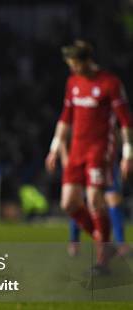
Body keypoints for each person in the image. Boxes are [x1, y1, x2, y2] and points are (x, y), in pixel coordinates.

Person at [45, 40, 132, 273]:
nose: (72, 68)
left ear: (85, 60)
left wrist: (128, 154)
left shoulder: (110, 83)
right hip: (76, 150)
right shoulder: (72, 82)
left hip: (100, 150)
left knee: (95, 199)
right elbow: (65, 117)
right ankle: (102, 240)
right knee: (68, 203)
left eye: (74, 63)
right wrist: (55, 147)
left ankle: (102, 258)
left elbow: (125, 121)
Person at [65, 124, 129, 257]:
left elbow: (121, 132)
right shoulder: (80, 113)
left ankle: (120, 243)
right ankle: (75, 240)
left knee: (114, 200)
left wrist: (125, 155)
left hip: (107, 164)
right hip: (86, 163)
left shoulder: (110, 112)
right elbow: (66, 135)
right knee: (79, 202)